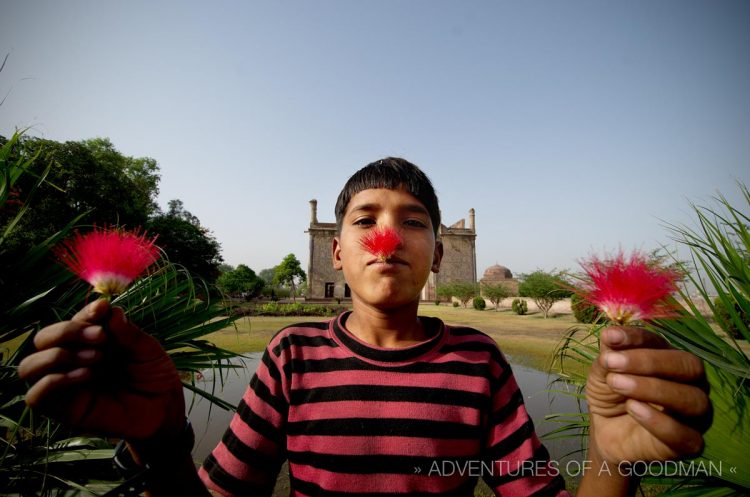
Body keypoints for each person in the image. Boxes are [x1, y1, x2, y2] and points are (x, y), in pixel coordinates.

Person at [18, 158, 710, 496]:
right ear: (337, 249)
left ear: (440, 255)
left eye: (413, 222)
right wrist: (163, 440)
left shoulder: (477, 360)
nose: (389, 237)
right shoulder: (294, 355)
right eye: (364, 220)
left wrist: (610, 461)